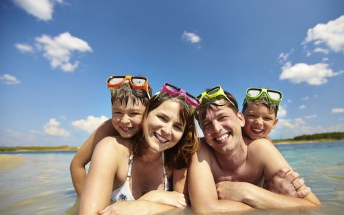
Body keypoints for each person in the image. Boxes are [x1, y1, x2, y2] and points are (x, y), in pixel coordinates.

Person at [188, 85, 321, 214]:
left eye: (223, 117)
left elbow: (313, 205)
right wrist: (271, 202)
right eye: (207, 124)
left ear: (240, 118)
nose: (217, 129)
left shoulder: (262, 149)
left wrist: (246, 192)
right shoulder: (201, 150)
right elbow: (205, 209)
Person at [79, 83, 200, 215]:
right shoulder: (110, 149)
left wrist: (147, 204)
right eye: (162, 118)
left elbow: (184, 207)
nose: (166, 130)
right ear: (145, 115)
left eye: (177, 126)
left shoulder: (176, 158)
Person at [70, 75, 152, 197]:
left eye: (134, 113)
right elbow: (77, 164)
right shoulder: (109, 127)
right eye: (117, 112)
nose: (124, 120)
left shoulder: (157, 131)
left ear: (149, 111)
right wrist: (84, 201)